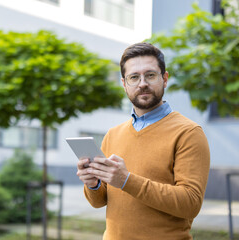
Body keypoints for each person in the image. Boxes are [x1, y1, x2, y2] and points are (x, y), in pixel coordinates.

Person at [76, 42, 210, 240]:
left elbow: (190, 204)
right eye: (134, 77)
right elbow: (99, 202)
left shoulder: (188, 132)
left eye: (150, 75)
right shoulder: (112, 134)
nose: (142, 83)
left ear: (164, 79)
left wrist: (127, 181)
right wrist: (93, 184)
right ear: (124, 84)